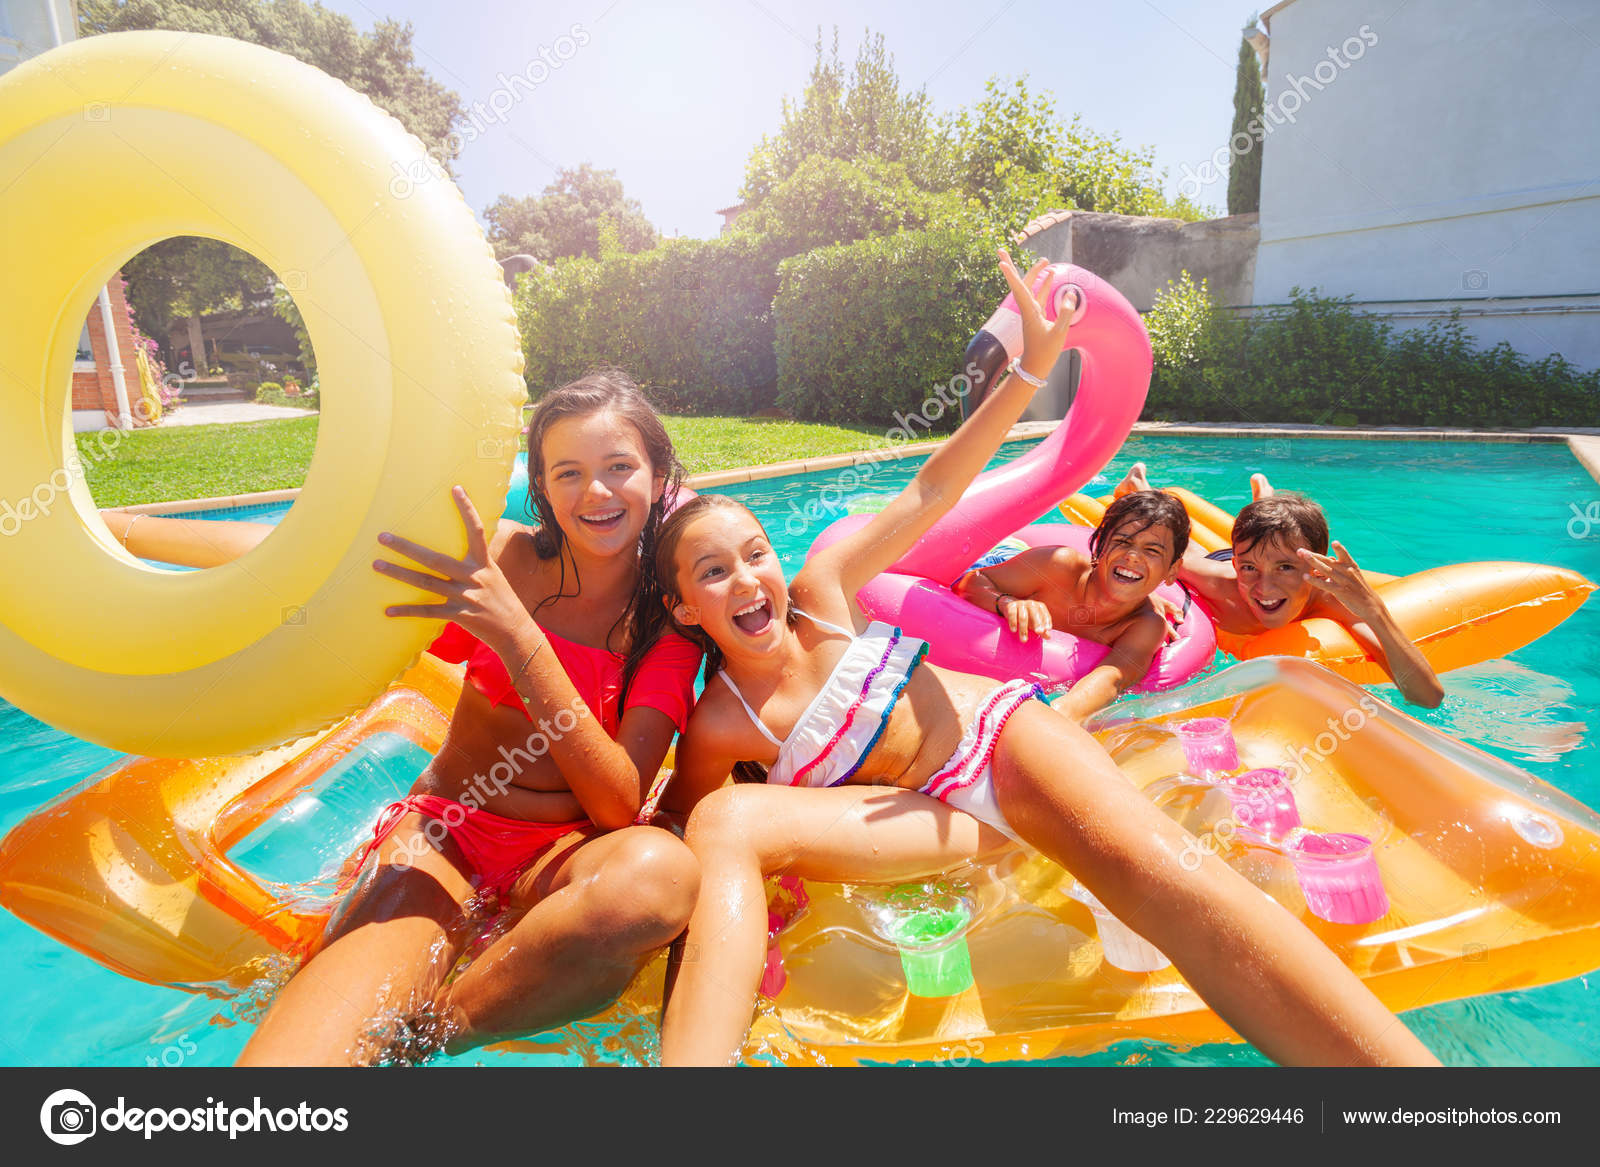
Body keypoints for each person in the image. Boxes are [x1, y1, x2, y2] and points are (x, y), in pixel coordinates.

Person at [648, 251, 1439, 1068]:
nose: (747, 578)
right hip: (931, 821)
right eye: (714, 572)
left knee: (1172, 885)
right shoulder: (718, 725)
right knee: (723, 819)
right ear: (681, 608)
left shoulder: (824, 594)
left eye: (753, 553)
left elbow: (933, 490)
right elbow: (684, 838)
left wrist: (1029, 370)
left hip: (1001, 745)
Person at [118, 372, 706, 1065]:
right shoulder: (506, 559)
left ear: (658, 474)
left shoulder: (665, 626)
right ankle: (371, 1013)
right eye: (568, 472)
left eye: (619, 467)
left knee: (658, 876)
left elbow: (616, 804)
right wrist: (119, 531)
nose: (596, 492)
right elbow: (323, 570)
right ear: (541, 486)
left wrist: (520, 640)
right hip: (448, 833)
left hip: (563, 857)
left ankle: (421, 1037)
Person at [1114, 463, 1444, 707]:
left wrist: (1374, 611)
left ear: (1315, 565)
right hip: (1221, 560)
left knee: (1267, 545)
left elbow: (1427, 698)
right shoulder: (1222, 583)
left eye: (1286, 568)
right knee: (1181, 544)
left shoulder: (1332, 602)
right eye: (1250, 571)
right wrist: (1149, 596)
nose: (1265, 588)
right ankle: (1140, 485)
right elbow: (1155, 560)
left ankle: (1265, 503)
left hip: (1251, 552)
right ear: (1238, 567)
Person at [953, 490, 1192, 720]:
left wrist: (1059, 713)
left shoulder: (1145, 625)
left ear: (1172, 571)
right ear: (1100, 546)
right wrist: (1005, 602)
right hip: (1003, 558)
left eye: (1151, 550)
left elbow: (1114, 676)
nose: (1132, 556)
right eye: (1122, 541)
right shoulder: (1057, 567)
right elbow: (969, 583)